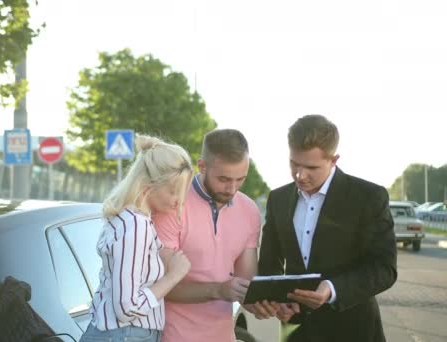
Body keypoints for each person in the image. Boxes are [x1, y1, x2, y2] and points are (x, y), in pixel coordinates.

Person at [253, 114, 397, 342]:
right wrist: (275, 300)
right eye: (294, 164)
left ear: (334, 159)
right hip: (296, 332)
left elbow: (384, 269)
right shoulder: (278, 198)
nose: (300, 175)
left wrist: (331, 289)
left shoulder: (368, 197)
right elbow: (270, 262)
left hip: (354, 330)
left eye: (311, 167)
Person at [80, 135, 193, 342]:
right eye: (173, 192)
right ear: (149, 184)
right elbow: (127, 307)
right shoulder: (135, 225)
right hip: (125, 335)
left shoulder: (132, 220)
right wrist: (174, 276)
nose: (179, 201)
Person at [153, 129, 261, 342]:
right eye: (224, 178)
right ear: (202, 166)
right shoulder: (172, 204)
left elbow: (246, 287)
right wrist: (219, 290)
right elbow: (162, 286)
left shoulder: (249, 211)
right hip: (172, 337)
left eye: (240, 179)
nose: (232, 189)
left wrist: (266, 304)